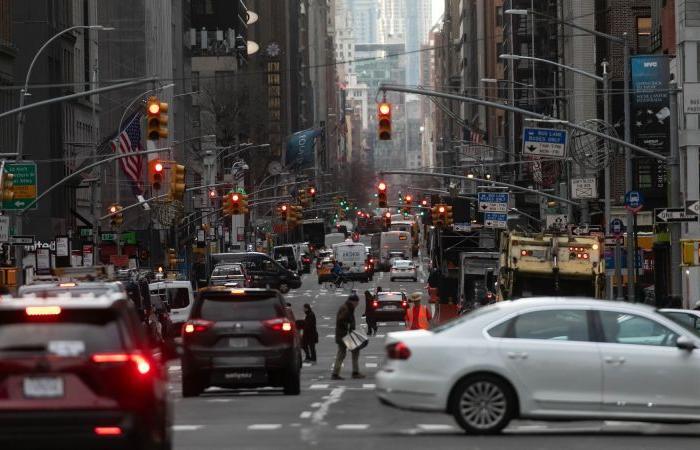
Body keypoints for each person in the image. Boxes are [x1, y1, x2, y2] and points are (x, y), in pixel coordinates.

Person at [332, 293, 365, 380]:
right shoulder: (346, 308)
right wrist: (349, 327)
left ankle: (339, 373)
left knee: (349, 352)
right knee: (344, 353)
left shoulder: (348, 307)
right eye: (357, 302)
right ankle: (352, 373)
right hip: (345, 335)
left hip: (344, 334)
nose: (357, 304)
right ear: (353, 301)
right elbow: (341, 319)